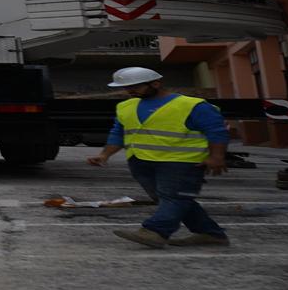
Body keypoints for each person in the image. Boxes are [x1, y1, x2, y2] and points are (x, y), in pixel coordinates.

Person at [86, 65, 231, 248]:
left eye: (135, 86)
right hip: (141, 161)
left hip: (181, 163)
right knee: (172, 199)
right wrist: (104, 154)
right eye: (126, 87)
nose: (129, 91)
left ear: (155, 83)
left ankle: (154, 232)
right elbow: (119, 132)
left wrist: (217, 156)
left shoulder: (191, 105)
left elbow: (216, 131)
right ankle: (211, 234)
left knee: (174, 198)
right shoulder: (126, 106)